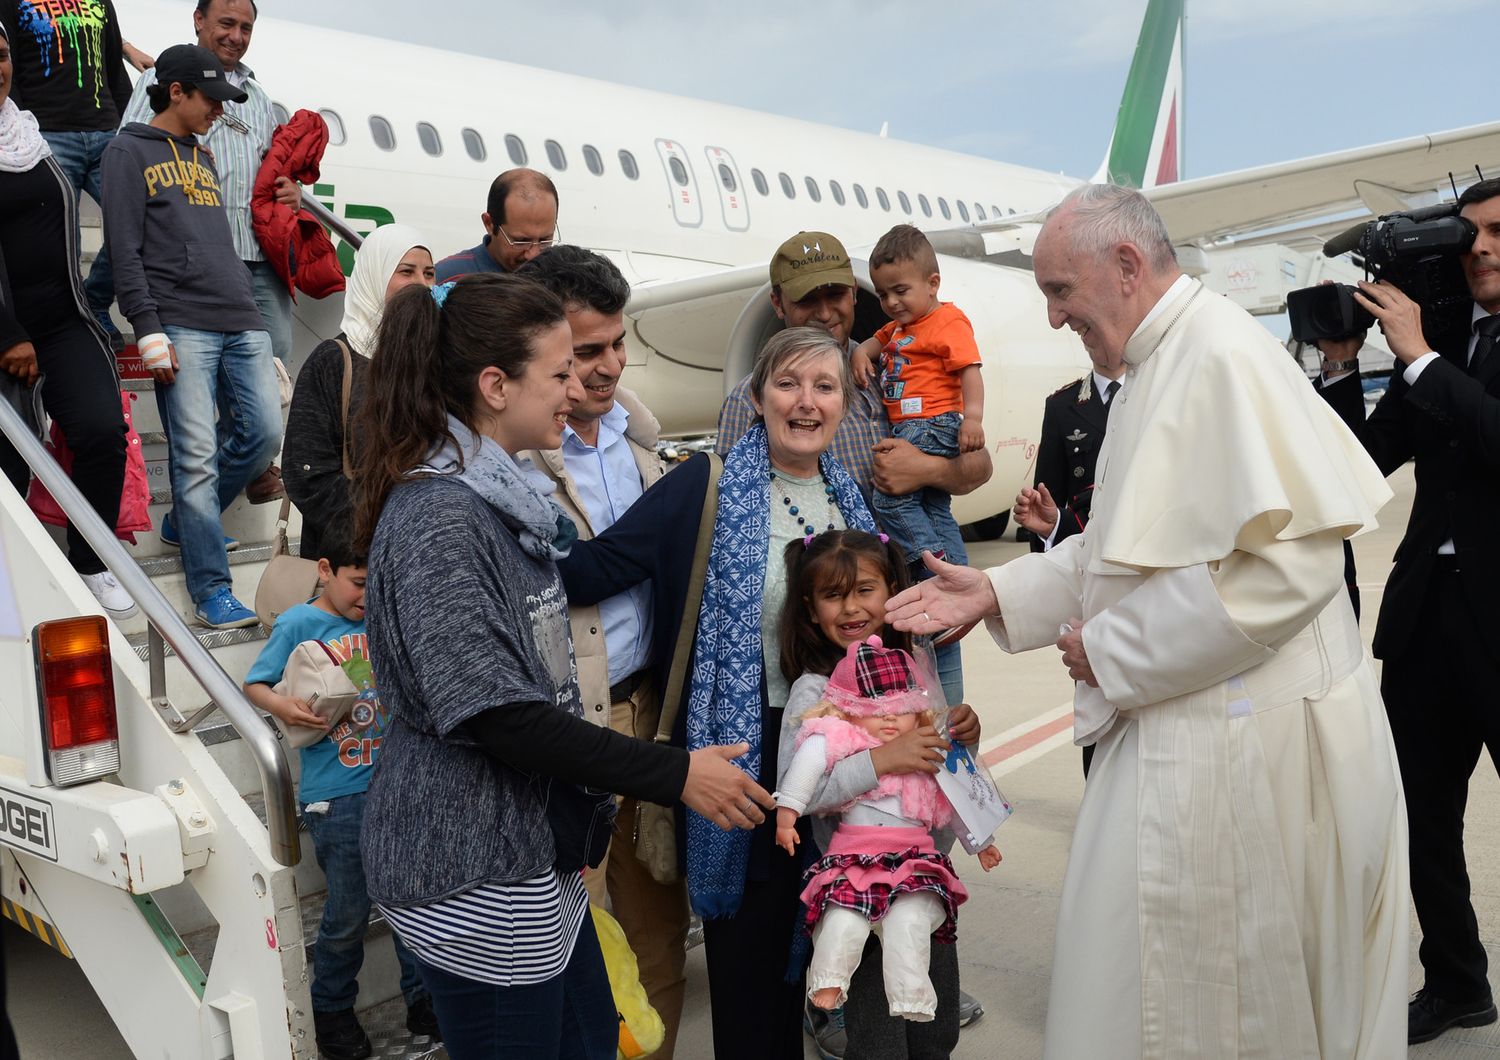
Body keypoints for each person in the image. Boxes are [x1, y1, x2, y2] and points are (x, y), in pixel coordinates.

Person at [886, 184, 1407, 1059]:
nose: (1052, 318)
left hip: (1256, 746)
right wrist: (999, 594)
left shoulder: (1221, 357)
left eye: (1059, 291)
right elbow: (1125, 547)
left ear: (1126, 265)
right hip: (1197, 721)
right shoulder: (1152, 365)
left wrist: (1113, 647)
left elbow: (1292, 565)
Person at [351, 273, 772, 1058]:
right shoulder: (444, 518)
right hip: (472, 871)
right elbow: (498, 715)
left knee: (589, 1036)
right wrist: (675, 773)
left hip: (527, 858)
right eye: (559, 373)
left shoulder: (498, 498)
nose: (578, 389)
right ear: (494, 385)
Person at [560, 327, 894, 1059]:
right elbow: (591, 570)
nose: (806, 403)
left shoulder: (854, 503)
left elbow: (885, 630)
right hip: (746, 761)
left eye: (825, 386)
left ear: (845, 403)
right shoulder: (702, 488)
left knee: (851, 959)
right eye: (788, 384)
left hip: (849, 757)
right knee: (753, 980)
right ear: (756, 396)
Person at [715, 233, 991, 1053]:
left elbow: (969, 468)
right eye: (812, 301)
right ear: (779, 308)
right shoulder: (750, 404)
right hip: (811, 671)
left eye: (841, 297)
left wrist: (924, 472)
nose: (832, 312)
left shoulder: (879, 371)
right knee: (829, 859)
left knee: (931, 757)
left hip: (892, 626)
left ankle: (914, 950)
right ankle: (838, 996)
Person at [1314, 176, 1500, 1044]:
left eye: (1498, 232)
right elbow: (1360, 460)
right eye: (1469, 237)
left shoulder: (1436, 346)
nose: (1482, 249)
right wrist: (1347, 363)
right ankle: (1457, 981)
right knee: (1420, 816)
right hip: (1430, 618)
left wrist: (1421, 358)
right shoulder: (1447, 332)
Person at [514, 245, 691, 1057]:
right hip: (568, 725)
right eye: (588, 352)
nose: (611, 366)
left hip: (652, 708)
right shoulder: (513, 461)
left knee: (657, 919)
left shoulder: (643, 437)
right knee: (572, 941)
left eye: (619, 345)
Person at [774, 528, 985, 1059]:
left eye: (865, 589)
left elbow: (939, 770)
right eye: (833, 594)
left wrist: (966, 740)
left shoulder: (915, 673)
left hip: (925, 875)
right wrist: (878, 761)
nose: (851, 607)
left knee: (935, 1030)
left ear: (892, 588)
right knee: (879, 1039)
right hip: (857, 888)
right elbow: (801, 790)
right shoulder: (815, 691)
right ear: (809, 607)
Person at [241, 529, 438, 1060]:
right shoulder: (299, 623)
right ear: (325, 570)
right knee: (350, 912)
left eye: (377, 586)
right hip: (339, 796)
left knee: (413, 902)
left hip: (396, 781)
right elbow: (255, 683)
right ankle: (331, 1010)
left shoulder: (382, 616)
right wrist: (283, 708)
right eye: (358, 584)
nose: (366, 597)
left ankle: (424, 1002)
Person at [101, 43, 279, 629]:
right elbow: (123, 249)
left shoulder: (200, 154)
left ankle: (183, 523)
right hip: (180, 319)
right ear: (175, 91)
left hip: (238, 313)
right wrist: (147, 327)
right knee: (195, 458)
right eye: (210, 98)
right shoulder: (127, 152)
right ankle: (209, 591)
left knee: (262, 434)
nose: (217, 110)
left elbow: (212, 238)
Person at [121, 0, 296, 503]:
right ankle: (231, 477)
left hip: (254, 252)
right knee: (203, 384)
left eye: (245, 27)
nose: (236, 36)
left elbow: (267, 167)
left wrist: (288, 189)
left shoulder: (257, 96)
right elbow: (132, 147)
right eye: (226, 24)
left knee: (275, 363)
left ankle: (246, 464)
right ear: (199, 21)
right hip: (193, 256)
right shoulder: (164, 78)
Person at [776, 635, 997, 1025]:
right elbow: (805, 766)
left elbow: (956, 802)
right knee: (843, 918)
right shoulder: (845, 740)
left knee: (908, 923)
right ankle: (828, 981)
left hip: (915, 861)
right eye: (875, 710)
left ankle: (911, 994)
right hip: (852, 860)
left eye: (901, 709)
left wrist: (981, 843)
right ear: (848, 712)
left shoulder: (927, 752)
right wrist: (787, 813)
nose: (891, 719)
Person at [0, 17, 130, 618]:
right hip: (8, 331)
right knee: (12, 455)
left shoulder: (27, 133)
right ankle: (16, 575)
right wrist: (8, 334)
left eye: (2, 54)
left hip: (61, 320)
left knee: (104, 432)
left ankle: (92, 561)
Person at [283, 223, 434, 562]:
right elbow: (306, 475)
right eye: (407, 272)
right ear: (373, 277)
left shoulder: (440, 362)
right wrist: (382, 531)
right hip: (349, 568)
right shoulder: (333, 362)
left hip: (425, 558)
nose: (422, 285)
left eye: (429, 273)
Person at [849, 226, 984, 582]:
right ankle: (957, 574)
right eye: (882, 294)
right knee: (934, 507)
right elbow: (869, 344)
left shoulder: (947, 321)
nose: (892, 302)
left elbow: (970, 370)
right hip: (911, 425)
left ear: (933, 283)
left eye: (901, 291)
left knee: (890, 499)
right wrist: (861, 353)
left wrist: (972, 419)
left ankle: (932, 563)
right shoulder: (896, 327)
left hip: (933, 421)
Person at [0, 0, 133, 336]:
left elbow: (114, 67)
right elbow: (7, 63)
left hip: (107, 131)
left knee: (142, 218)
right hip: (48, 132)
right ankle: (77, 320)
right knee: (60, 241)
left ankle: (96, 298)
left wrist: (133, 129)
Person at [1013, 362, 1126, 553]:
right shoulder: (1061, 406)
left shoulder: (1156, 397)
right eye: (1090, 330)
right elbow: (1046, 502)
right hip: (1085, 549)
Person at [435, 168, 558, 280]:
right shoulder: (446, 280)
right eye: (521, 241)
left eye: (545, 240)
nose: (533, 254)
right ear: (489, 224)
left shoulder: (562, 283)